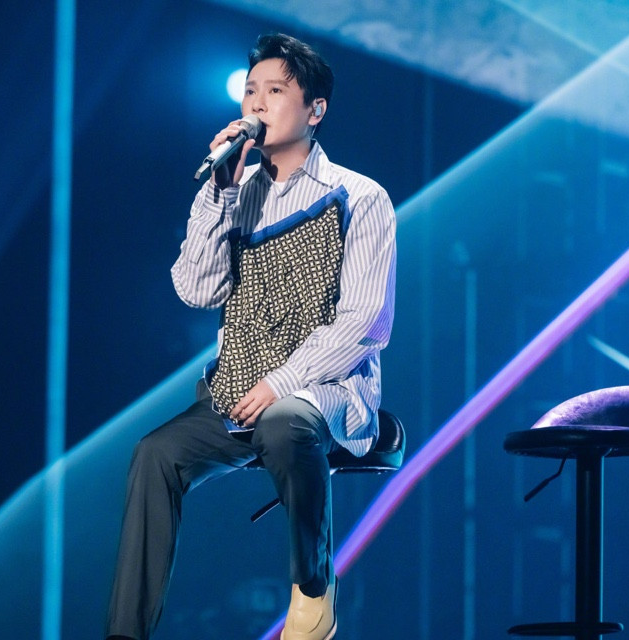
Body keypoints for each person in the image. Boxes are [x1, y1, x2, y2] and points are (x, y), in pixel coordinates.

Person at [105, 32, 396, 640]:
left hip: (322, 390)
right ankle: (125, 632)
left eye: (276, 91)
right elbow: (195, 289)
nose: (257, 104)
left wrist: (282, 382)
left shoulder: (359, 196)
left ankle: (314, 587)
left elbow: (366, 321)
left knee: (284, 421)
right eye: (251, 91)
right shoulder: (232, 194)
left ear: (315, 110)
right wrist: (218, 192)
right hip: (236, 389)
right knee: (154, 454)